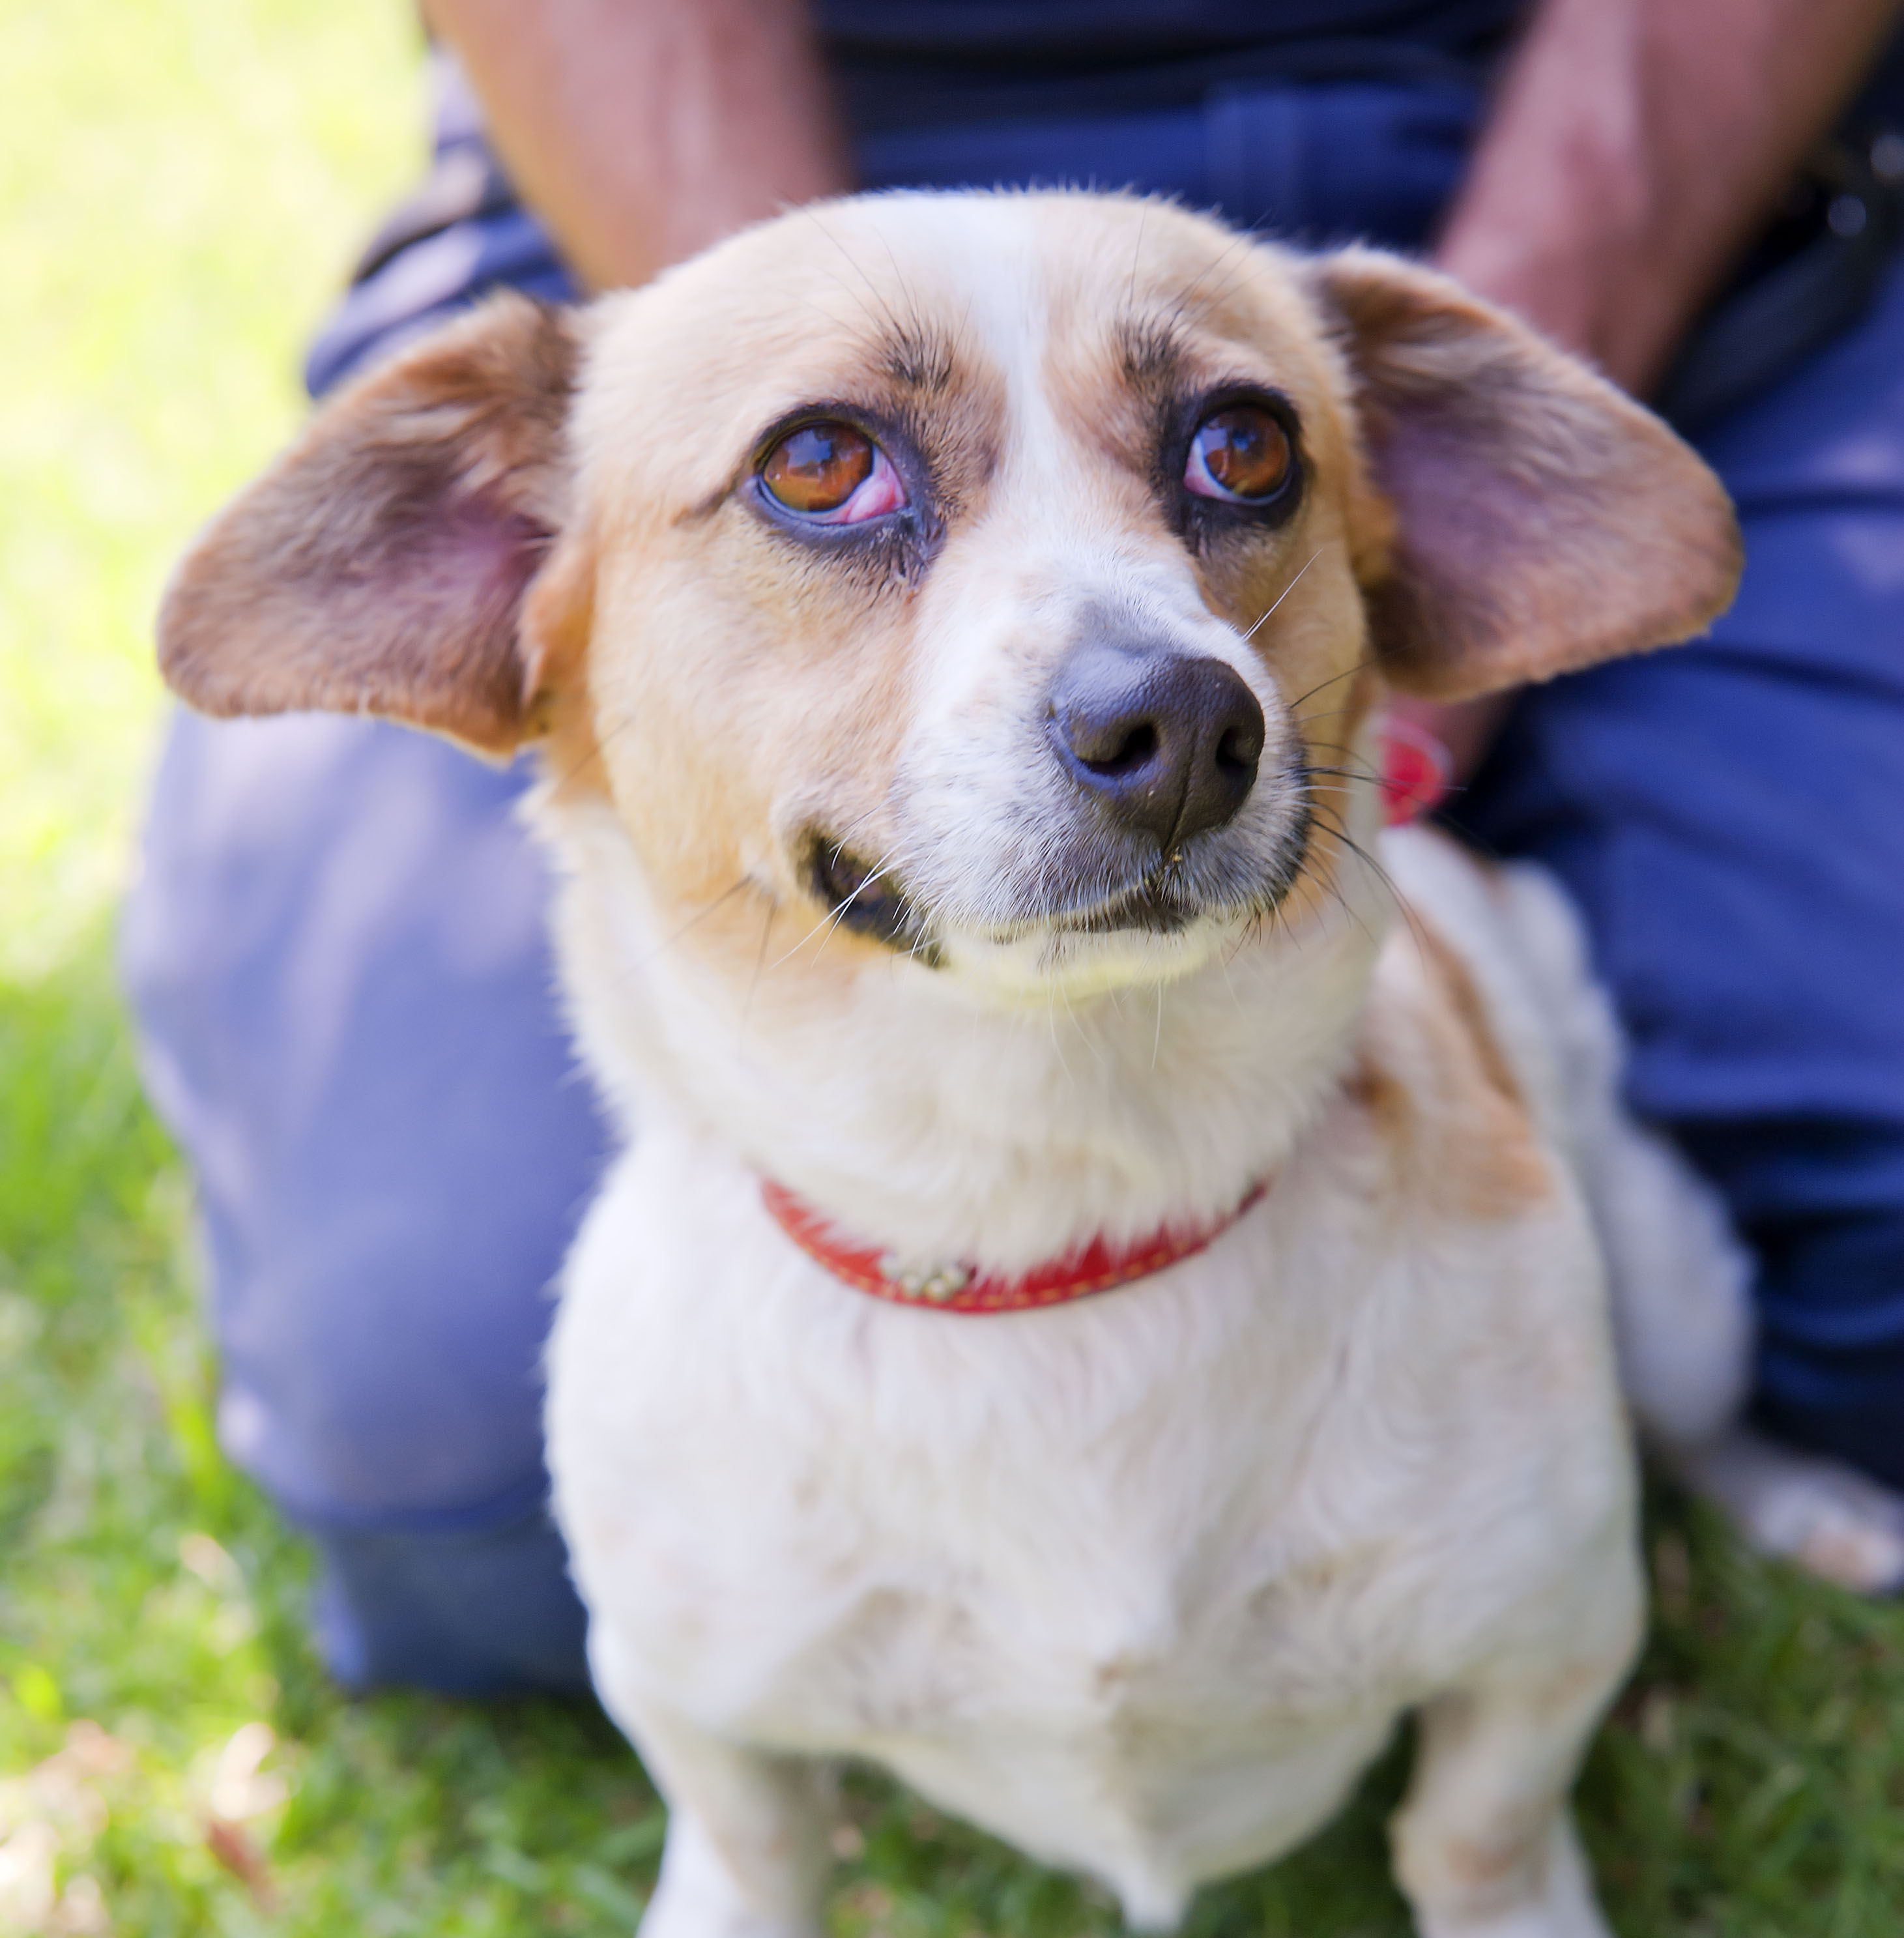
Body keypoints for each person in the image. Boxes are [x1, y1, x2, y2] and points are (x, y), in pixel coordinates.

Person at [125, 0, 1904, 1696]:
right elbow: (685, 415)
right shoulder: (613, 446)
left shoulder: (1359, 460)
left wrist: (1334, 531)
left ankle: (1373, 699)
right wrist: (744, 381)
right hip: (638, 183)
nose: (1156, 705)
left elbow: (1587, 520)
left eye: (1238, 469)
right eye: (829, 475)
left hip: (1571, 164)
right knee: (452, 1486)